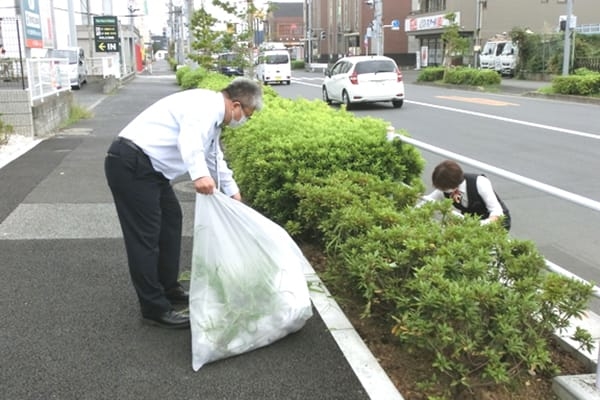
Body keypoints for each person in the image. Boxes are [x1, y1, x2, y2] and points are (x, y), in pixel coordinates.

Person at [104, 77, 263, 329]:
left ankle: (169, 289)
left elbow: (213, 156)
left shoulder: (214, 119)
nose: (245, 120)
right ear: (235, 105)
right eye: (247, 115)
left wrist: (233, 192)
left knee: (170, 224)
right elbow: (189, 140)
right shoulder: (205, 106)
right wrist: (199, 174)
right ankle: (154, 309)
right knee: (145, 239)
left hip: (151, 170)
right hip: (131, 164)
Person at [419, 160, 511, 231]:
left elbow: (497, 212)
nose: (441, 191)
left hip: (497, 222)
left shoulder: (480, 182)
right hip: (471, 224)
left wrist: (481, 225)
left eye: (444, 189)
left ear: (452, 186)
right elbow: (426, 202)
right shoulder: (444, 189)